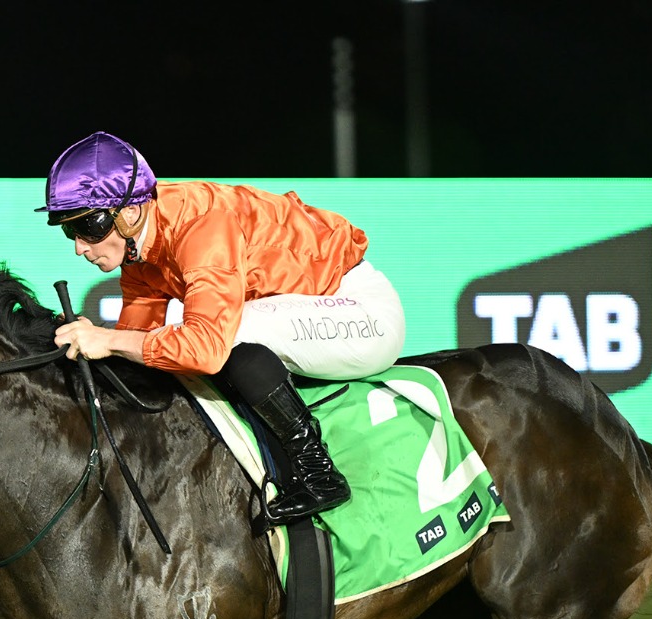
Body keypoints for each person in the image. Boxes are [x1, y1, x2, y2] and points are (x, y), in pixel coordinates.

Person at [40, 131, 407, 525]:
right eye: (68, 230)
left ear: (130, 212)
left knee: (224, 335)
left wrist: (108, 338)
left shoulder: (201, 226)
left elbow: (205, 350)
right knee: (182, 342)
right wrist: (93, 342)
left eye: (88, 228)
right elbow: (138, 350)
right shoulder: (139, 252)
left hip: (361, 313)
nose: (79, 246)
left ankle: (319, 474)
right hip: (305, 312)